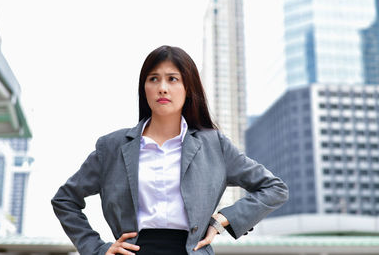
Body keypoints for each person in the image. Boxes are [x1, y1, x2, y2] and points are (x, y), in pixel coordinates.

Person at [51, 45, 289, 255]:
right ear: (144, 88)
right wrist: (97, 249)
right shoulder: (112, 147)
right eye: (153, 79)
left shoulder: (214, 145)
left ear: (188, 88)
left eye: (172, 79)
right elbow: (65, 199)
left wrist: (222, 220)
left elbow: (274, 188)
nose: (162, 88)